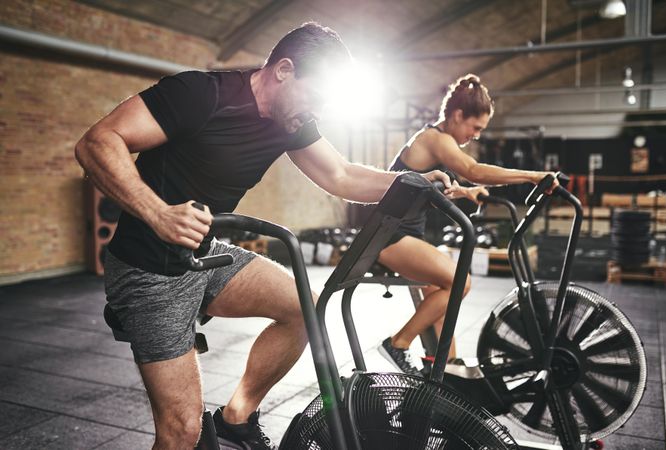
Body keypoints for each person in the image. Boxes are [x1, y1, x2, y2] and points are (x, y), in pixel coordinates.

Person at [75, 22, 466, 450]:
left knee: (304, 307)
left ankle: (236, 418)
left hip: (203, 256)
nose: (314, 113)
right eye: (315, 97)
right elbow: (97, 141)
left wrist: (412, 182)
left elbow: (341, 175)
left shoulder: (291, 119)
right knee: (181, 431)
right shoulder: (201, 95)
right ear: (283, 70)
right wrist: (158, 213)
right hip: (149, 270)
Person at [377, 74, 558, 376]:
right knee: (460, 281)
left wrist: (464, 191)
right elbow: (472, 169)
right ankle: (398, 343)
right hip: (386, 236)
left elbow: (434, 187)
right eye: (475, 128)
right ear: (458, 115)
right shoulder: (436, 139)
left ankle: (445, 366)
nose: (475, 135)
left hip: (404, 234)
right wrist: (533, 176)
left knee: (441, 293)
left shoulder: (436, 142)